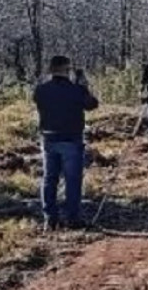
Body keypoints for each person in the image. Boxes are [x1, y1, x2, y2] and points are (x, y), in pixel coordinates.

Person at [33, 55, 99, 230]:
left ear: (51, 70)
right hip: (71, 139)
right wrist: (84, 86)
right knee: (72, 180)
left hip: (48, 138)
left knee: (49, 179)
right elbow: (92, 104)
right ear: (66, 70)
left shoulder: (41, 90)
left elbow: (40, 101)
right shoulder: (76, 90)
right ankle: (72, 218)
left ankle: (50, 219)